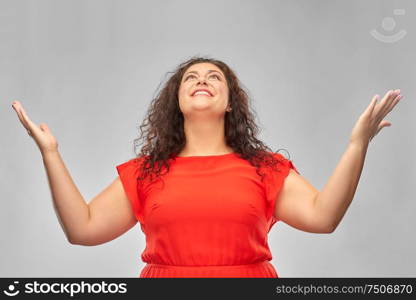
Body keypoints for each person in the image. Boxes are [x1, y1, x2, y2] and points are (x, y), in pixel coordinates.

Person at [11, 56, 402, 278]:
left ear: (230, 102)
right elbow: (82, 229)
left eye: (214, 77)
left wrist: (357, 144)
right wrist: (51, 153)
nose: (202, 80)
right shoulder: (145, 172)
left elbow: (324, 217)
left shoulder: (265, 169)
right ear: (176, 101)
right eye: (191, 78)